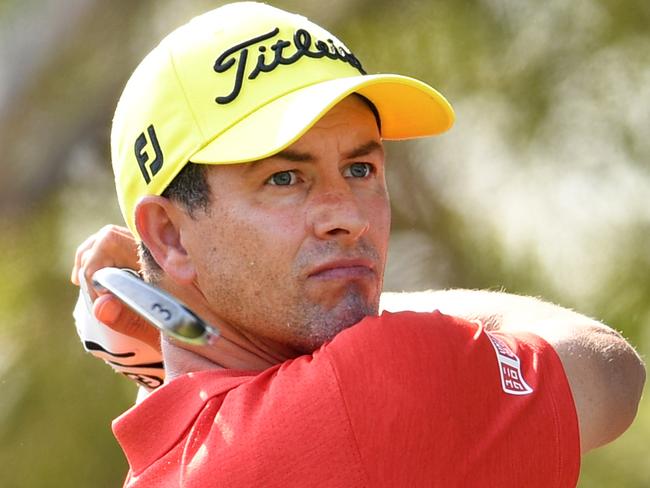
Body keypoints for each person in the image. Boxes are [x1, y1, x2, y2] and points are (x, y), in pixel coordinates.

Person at [71, 3, 645, 487]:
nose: (347, 217)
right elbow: (611, 372)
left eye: (361, 168)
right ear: (169, 236)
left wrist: (184, 334)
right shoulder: (371, 389)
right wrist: (378, 316)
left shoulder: (165, 461)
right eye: (283, 178)